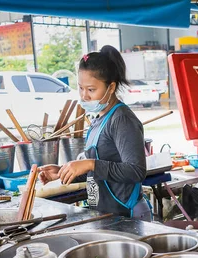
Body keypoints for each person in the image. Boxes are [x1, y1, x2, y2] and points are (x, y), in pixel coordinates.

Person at [39, 46, 150, 221]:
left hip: (126, 215)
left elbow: (136, 171)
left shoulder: (121, 120)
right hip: (103, 213)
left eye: (91, 90)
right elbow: (100, 172)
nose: (84, 96)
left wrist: (90, 164)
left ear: (111, 87)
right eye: (81, 88)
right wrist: (64, 172)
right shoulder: (98, 119)